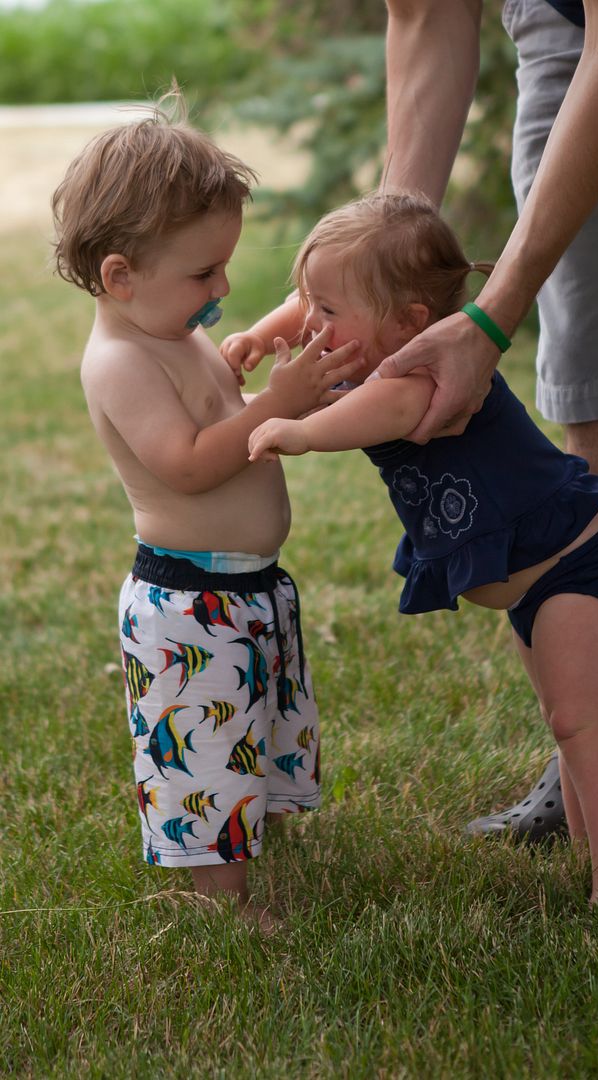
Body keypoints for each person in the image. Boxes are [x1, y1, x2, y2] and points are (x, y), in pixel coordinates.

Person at [233, 191, 598, 906]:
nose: (313, 325)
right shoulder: (377, 361)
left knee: (582, 720)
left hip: (578, 568)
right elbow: (326, 357)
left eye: (329, 313)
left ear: (410, 324)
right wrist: (261, 348)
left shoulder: (426, 375)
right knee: (567, 720)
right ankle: (594, 847)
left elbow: (376, 413)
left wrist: (298, 429)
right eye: (312, 307)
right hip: (533, 586)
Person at [367, 0, 598, 836]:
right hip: (572, 23)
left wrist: (491, 317)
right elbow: (426, 15)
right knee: (596, 372)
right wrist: (369, 273)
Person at [50, 93, 360, 928]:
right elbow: (186, 465)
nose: (223, 286)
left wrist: (246, 377)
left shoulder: (172, 333)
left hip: (251, 590)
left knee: (259, 721)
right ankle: (226, 902)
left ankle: (261, 825)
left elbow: (216, 421)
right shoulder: (119, 360)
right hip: (187, 608)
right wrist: (273, 406)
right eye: (203, 273)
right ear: (121, 275)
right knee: (206, 753)